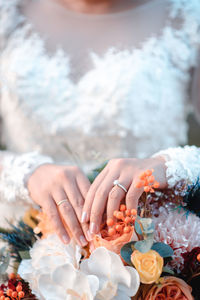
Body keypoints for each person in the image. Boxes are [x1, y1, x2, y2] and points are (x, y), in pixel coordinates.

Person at [0, 0, 200, 247]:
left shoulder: (188, 18)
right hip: (19, 247)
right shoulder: (7, 14)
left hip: (145, 251)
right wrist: (25, 175)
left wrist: (171, 167)